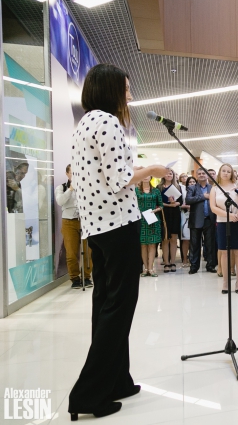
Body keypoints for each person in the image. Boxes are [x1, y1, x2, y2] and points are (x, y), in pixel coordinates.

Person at [68, 63, 167, 420]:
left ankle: (116, 381)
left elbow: (102, 176)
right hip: (117, 223)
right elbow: (119, 179)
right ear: (110, 89)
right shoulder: (108, 122)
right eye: (125, 88)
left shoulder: (84, 124)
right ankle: (87, 394)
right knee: (119, 307)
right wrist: (153, 170)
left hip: (96, 227)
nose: (130, 94)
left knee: (105, 304)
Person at [210, 164, 238, 294]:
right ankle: (225, 282)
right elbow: (213, 207)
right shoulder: (215, 188)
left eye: (228, 171)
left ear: (232, 173)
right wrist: (228, 215)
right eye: (223, 171)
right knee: (224, 252)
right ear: (219, 172)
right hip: (223, 222)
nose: (226, 173)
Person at [55, 164, 93, 289]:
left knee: (88, 251)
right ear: (67, 174)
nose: (75, 175)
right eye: (72, 173)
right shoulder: (61, 187)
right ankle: (75, 278)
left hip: (85, 220)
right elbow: (60, 201)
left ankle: (86, 277)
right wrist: (70, 189)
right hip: (68, 221)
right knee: (71, 252)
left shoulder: (86, 186)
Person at [185, 168, 217, 274]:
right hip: (196, 219)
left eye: (204, 173)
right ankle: (194, 266)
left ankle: (211, 265)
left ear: (207, 175)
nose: (202, 175)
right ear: (196, 175)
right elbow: (188, 200)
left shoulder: (213, 188)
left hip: (209, 219)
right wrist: (203, 196)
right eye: (199, 173)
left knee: (210, 244)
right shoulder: (192, 188)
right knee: (194, 244)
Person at [136, 176, 163, 277]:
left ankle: (151, 268)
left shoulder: (156, 191)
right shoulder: (136, 191)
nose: (145, 177)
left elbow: (161, 205)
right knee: (143, 244)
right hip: (140, 219)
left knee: (152, 244)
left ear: (151, 177)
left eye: (148, 175)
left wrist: (155, 210)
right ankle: (145, 268)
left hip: (152, 219)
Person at [158, 169, 182, 273]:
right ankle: (166, 263)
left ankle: (173, 262)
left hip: (175, 214)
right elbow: (158, 202)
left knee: (173, 239)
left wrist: (175, 203)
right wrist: (169, 204)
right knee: (165, 239)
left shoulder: (177, 187)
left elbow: (180, 202)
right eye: (167, 173)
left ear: (173, 175)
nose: (169, 175)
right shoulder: (159, 187)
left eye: (171, 173)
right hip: (164, 214)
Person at [179, 176, 196, 267]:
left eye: (194, 182)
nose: (192, 183)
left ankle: (193, 259)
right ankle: (185, 259)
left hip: (195, 216)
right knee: (185, 239)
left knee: (194, 240)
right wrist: (185, 206)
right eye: (190, 182)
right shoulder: (182, 191)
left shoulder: (198, 191)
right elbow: (179, 204)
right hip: (185, 216)